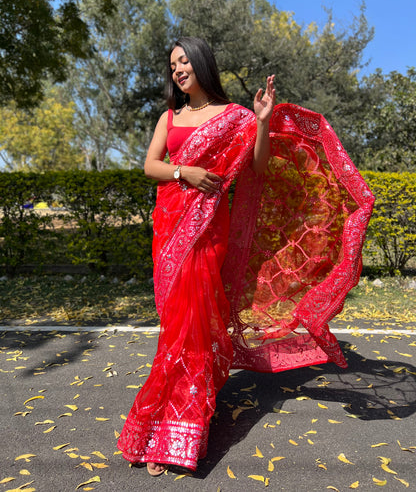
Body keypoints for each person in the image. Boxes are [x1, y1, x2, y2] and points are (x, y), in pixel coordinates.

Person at [117, 37, 374, 476]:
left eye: (184, 62)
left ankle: (180, 425)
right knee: (177, 326)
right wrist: (186, 172)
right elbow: (150, 166)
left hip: (209, 232)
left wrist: (262, 120)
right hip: (172, 231)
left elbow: (258, 167)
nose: (178, 70)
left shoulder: (234, 117)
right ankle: (167, 417)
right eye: (173, 65)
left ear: (201, 64)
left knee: (194, 328)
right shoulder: (170, 116)